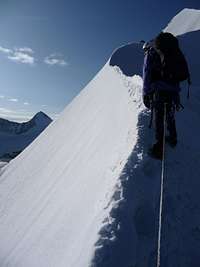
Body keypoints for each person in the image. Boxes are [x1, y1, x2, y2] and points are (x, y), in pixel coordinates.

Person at [142, 32, 189, 160]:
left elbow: (146, 75)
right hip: (173, 91)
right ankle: (173, 139)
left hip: (159, 91)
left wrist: (146, 93)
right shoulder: (173, 52)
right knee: (170, 114)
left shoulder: (150, 54)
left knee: (159, 118)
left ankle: (159, 149)